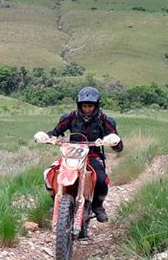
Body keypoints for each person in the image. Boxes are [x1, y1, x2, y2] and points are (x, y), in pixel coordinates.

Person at [34, 86, 123, 224]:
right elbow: (56, 131)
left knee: (101, 179)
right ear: (79, 105)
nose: (87, 109)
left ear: (96, 105)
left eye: (90, 106)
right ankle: (55, 201)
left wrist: (114, 142)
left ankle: (98, 206)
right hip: (71, 155)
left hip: (92, 155)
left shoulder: (105, 120)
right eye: (84, 106)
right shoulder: (70, 117)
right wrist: (47, 137)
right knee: (49, 174)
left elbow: (118, 145)